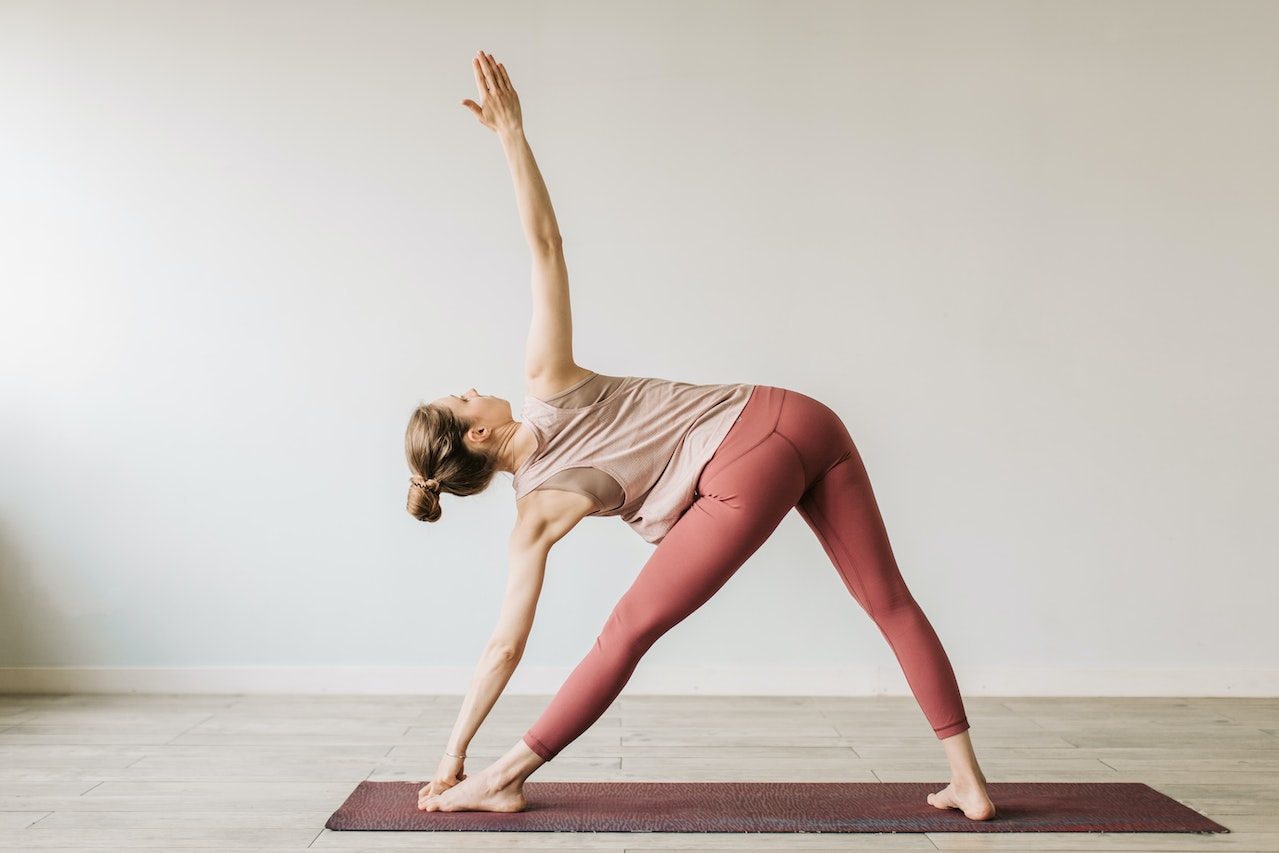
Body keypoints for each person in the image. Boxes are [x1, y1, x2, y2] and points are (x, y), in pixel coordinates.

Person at [405, 50, 995, 821]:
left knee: (626, 628)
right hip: (801, 415)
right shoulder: (545, 383)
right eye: (462, 395)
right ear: (477, 432)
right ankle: (970, 781)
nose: (474, 383)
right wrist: (512, 135)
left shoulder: (535, 510)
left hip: (743, 464)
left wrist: (452, 755)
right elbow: (546, 247)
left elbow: (503, 649)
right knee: (888, 599)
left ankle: (502, 774)